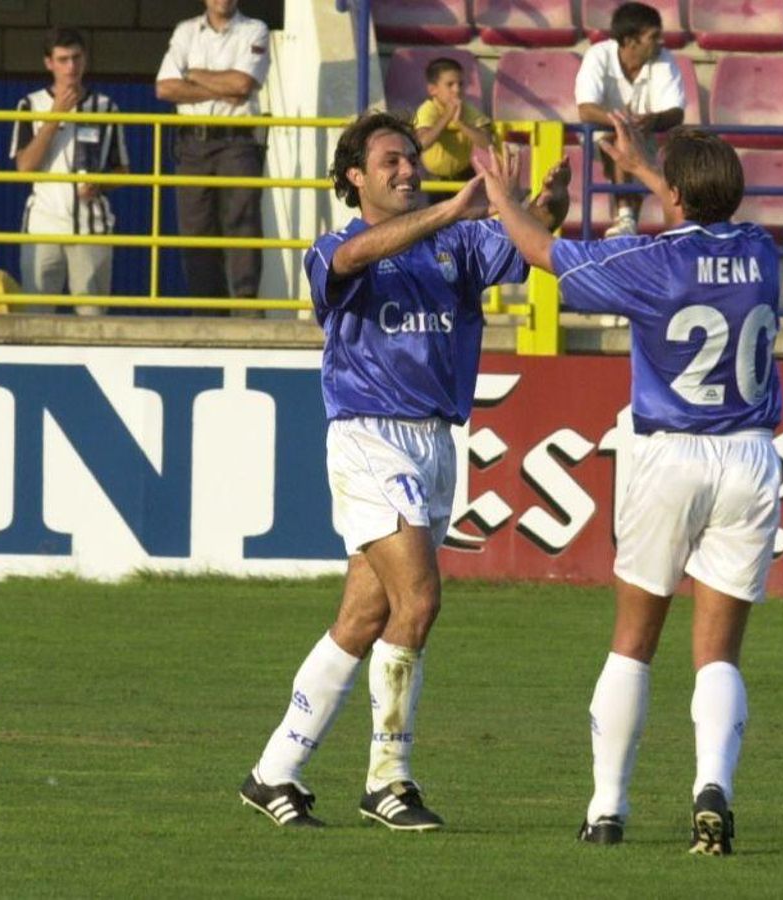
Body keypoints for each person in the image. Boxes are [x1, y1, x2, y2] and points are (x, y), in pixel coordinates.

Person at [238, 111, 569, 831]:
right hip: (368, 437)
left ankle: (273, 772)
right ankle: (388, 779)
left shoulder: (458, 243)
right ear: (354, 176)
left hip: (436, 442)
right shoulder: (334, 246)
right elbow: (355, 261)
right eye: (391, 160)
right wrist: (455, 206)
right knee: (418, 601)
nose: (408, 169)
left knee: (363, 617)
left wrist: (553, 198)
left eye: (412, 159)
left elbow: (532, 239)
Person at [475, 114, 782, 855]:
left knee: (633, 641)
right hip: (750, 458)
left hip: (670, 454)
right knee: (718, 655)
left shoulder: (652, 264)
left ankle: (607, 808)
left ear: (674, 196)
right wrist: (653, 169)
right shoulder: (763, 250)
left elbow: (542, 251)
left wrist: (500, 194)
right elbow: (700, 216)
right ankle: (713, 787)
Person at [156, 0, 272, 302]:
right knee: (195, 231)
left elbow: (243, 85)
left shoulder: (255, 29)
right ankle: (206, 310)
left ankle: (245, 306)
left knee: (243, 225)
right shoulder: (186, 31)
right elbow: (164, 88)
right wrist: (221, 88)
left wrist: (193, 74)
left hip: (238, 141)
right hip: (192, 144)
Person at [11, 27, 130, 316]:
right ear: (48, 63)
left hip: (92, 227)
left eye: (76, 58)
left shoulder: (106, 107)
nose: (71, 67)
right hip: (43, 225)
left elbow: (123, 170)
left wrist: (99, 184)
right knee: (37, 318)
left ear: (85, 59)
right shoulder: (30, 104)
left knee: (92, 319)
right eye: (63, 59)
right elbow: (24, 167)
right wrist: (54, 117)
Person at [575, 1, 685, 237]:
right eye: (653, 36)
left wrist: (652, 120)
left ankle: (627, 222)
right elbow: (586, 110)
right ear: (629, 41)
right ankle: (626, 217)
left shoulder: (664, 59)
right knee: (620, 140)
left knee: (633, 144)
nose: (660, 42)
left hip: (645, 135)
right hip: (599, 136)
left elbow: (676, 113)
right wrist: (621, 123)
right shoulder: (597, 55)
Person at [412, 56, 494, 192]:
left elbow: (488, 144)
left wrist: (460, 123)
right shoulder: (428, 109)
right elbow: (421, 143)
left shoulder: (468, 110)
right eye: (450, 84)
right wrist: (447, 117)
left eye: (460, 84)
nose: (457, 90)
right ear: (433, 89)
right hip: (434, 180)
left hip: (464, 176)